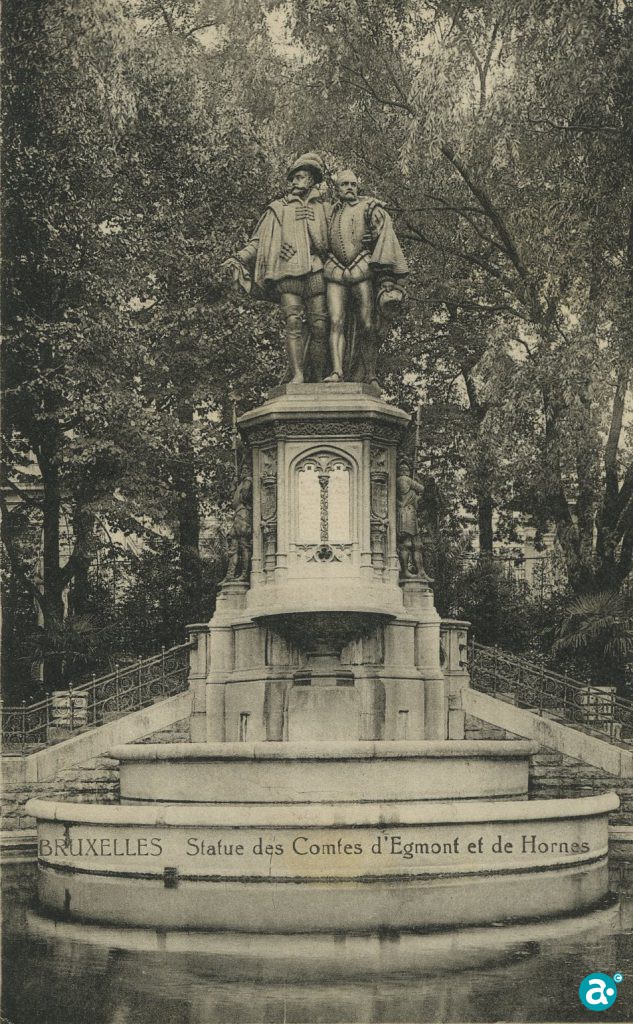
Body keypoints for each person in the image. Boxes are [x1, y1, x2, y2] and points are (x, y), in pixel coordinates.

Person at [222, 153, 331, 383]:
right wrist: (239, 258)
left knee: (320, 326)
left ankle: (319, 379)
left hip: (316, 270)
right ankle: (298, 375)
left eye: (300, 177)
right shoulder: (277, 209)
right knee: (293, 321)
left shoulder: (325, 209)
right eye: (293, 178)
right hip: (288, 271)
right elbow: (257, 242)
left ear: (311, 180)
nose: (295, 182)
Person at [323, 169, 408, 384]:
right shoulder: (330, 212)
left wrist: (387, 277)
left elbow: (385, 240)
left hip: (362, 269)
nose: (349, 187)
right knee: (335, 321)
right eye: (344, 184)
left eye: (353, 184)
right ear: (337, 188)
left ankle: (370, 374)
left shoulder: (371, 208)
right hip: (334, 271)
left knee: (368, 323)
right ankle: (336, 372)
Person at [396, 457, 429, 580]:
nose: (406, 470)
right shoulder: (405, 479)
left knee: (417, 545)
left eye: (407, 468)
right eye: (403, 468)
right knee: (406, 544)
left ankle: (420, 572)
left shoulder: (401, 482)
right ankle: (406, 571)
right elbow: (422, 489)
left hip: (409, 515)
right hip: (407, 515)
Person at [222, 464, 253, 583]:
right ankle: (230, 575)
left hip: (243, 514)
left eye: (246, 470)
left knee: (244, 545)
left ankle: (245, 574)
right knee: (233, 545)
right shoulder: (241, 483)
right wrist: (235, 485)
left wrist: (244, 485)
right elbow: (233, 500)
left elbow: (245, 497)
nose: (243, 472)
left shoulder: (247, 481)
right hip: (238, 514)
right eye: (242, 470)